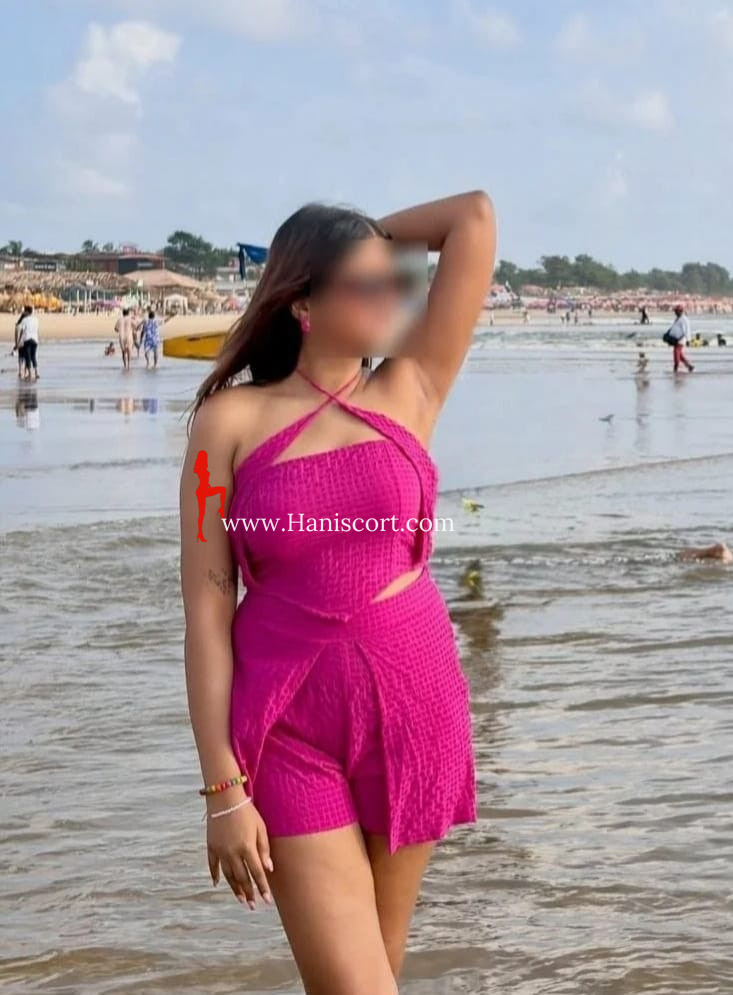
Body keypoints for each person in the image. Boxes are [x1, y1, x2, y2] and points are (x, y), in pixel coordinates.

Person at [180, 192, 496, 993]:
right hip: (286, 728)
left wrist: (366, 242)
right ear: (303, 303)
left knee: (371, 972)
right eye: (366, 285)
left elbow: (472, 219)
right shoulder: (228, 423)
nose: (392, 297)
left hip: (414, 708)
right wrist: (222, 789)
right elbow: (208, 611)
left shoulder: (411, 386)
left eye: (396, 280)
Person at [666, 304, 694, 373]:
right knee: (680, 355)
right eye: (675, 311)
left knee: (676, 353)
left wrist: (688, 340)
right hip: (676, 339)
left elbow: (686, 330)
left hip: (680, 340)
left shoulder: (684, 319)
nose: (675, 313)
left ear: (680, 311)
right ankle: (689, 366)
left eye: (676, 311)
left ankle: (675, 369)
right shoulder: (678, 318)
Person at [16, 305, 40, 381]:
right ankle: (36, 373)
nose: (24, 312)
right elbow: (37, 330)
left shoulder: (24, 320)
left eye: (25, 311)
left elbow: (22, 331)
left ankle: (30, 374)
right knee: (33, 356)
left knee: (28, 357)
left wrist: (19, 341)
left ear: (27, 312)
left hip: (27, 339)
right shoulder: (36, 319)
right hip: (35, 340)